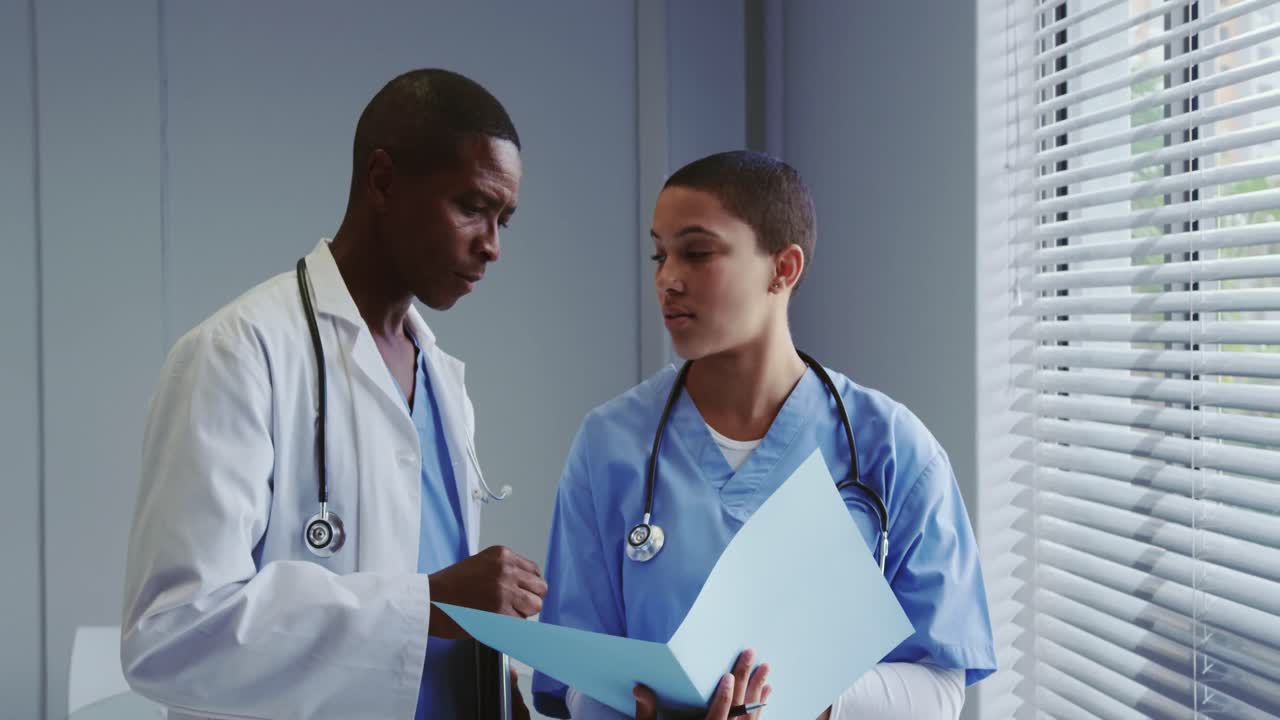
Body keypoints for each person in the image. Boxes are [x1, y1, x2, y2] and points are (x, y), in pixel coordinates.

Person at [121, 68, 545, 719]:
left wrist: (492, 684)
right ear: (382, 181)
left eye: (503, 220)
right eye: (471, 207)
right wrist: (429, 603)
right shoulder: (239, 354)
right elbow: (171, 635)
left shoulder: (444, 385)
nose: (490, 246)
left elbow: (440, 627)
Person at [533, 151, 996, 719]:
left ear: (784, 268)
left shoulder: (894, 451)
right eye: (659, 253)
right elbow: (577, 680)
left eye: (697, 252)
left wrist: (816, 705)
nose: (667, 278)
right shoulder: (609, 446)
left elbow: (942, 689)